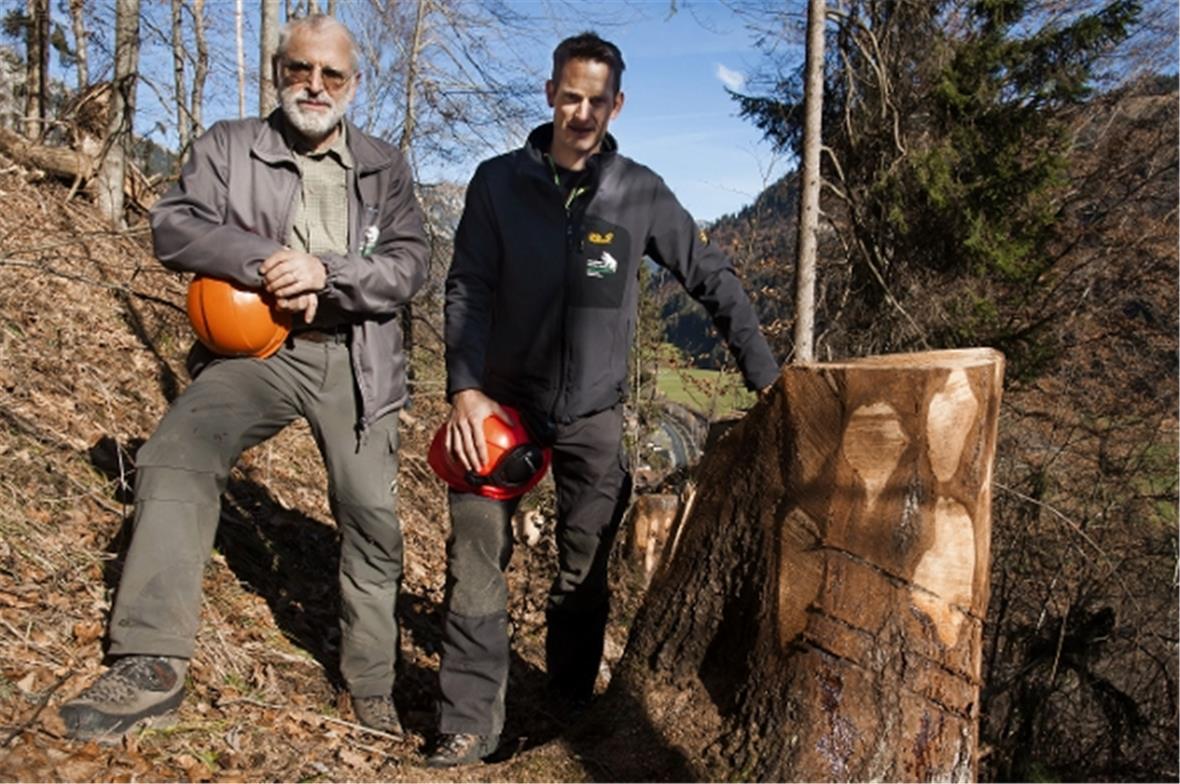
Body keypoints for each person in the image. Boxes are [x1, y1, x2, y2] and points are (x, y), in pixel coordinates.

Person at [58, 14, 428, 741]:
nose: (314, 85)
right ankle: (150, 659)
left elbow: (410, 264)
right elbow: (174, 226)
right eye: (299, 69)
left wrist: (328, 272)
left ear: (353, 84)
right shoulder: (230, 145)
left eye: (331, 73)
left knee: (371, 519)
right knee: (175, 455)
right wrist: (266, 262)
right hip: (259, 351)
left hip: (358, 358)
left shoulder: (384, 165)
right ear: (277, 72)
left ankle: (371, 686)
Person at [426, 31, 780, 768]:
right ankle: (467, 724)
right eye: (570, 97)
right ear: (550, 95)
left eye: (597, 100)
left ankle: (565, 711)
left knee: (583, 572)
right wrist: (465, 389)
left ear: (616, 105)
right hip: (500, 410)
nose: (581, 113)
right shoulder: (497, 184)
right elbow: (467, 288)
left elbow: (709, 274)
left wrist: (767, 378)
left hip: (593, 416)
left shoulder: (638, 192)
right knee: (477, 554)